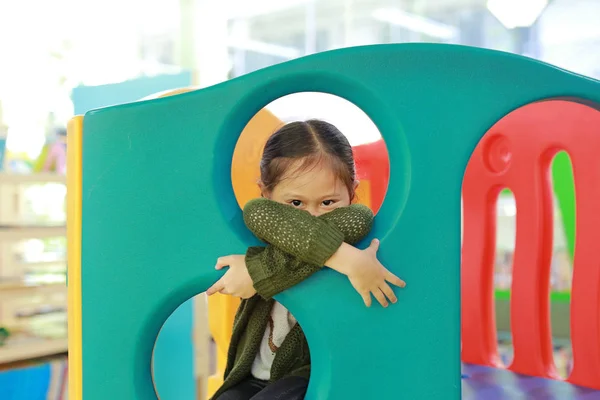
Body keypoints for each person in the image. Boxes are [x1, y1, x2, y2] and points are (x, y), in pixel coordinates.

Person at [207, 119, 406, 400]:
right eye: (296, 204)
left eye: (328, 203)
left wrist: (258, 271)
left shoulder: (352, 224)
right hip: (252, 373)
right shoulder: (266, 221)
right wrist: (348, 259)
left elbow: (357, 219)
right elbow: (256, 212)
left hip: (309, 374)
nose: (311, 217)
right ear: (266, 193)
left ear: (352, 192)